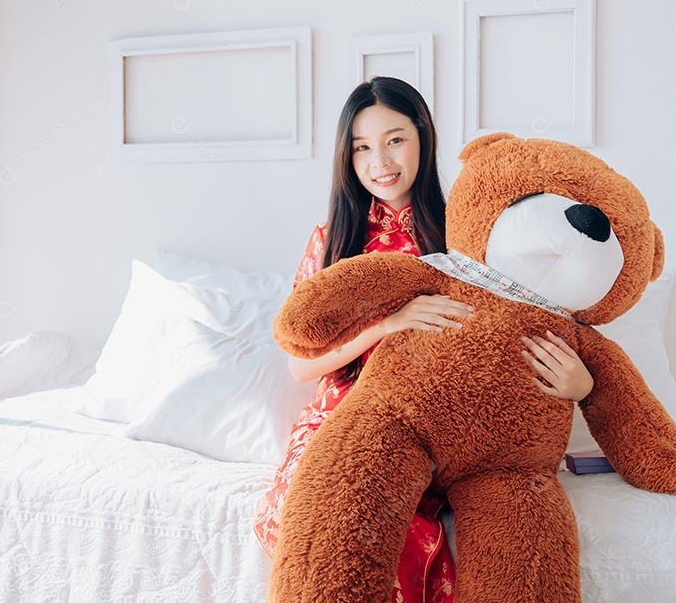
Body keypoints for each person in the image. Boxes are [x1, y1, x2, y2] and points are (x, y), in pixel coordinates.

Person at [252, 76, 594, 602]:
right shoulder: (331, 240)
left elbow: (530, 318)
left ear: (423, 137)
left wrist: (581, 381)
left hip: (448, 413)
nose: (379, 161)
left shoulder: (467, 231)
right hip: (351, 412)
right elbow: (301, 366)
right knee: (341, 512)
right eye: (362, 147)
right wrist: (389, 324)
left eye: (394, 139)